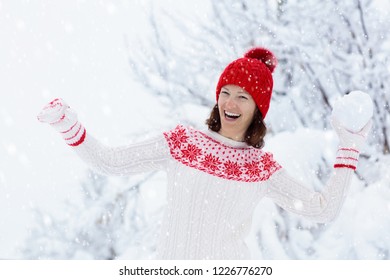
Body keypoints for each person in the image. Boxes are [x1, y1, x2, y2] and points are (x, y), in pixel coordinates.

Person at [37, 47, 371, 260]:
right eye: (225, 92)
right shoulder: (182, 143)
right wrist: (69, 126)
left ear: (258, 109)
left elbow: (323, 211)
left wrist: (350, 146)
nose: (230, 102)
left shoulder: (260, 168)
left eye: (243, 96)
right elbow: (109, 162)